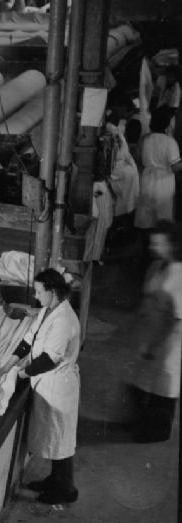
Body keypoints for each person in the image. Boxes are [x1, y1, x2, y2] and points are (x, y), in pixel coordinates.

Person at [0, 269, 81, 504]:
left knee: (60, 442)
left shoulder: (64, 320)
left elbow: (50, 358)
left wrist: (21, 374)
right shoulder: (48, 311)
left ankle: (65, 491)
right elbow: (28, 340)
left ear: (53, 292)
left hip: (58, 385)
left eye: (39, 292)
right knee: (55, 439)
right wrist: (5, 367)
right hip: (46, 382)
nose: (36, 297)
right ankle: (56, 481)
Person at [128, 222, 182, 442]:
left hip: (170, 337)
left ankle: (158, 432)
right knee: (141, 379)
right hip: (149, 330)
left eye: (158, 243)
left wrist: (155, 344)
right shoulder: (157, 265)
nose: (153, 246)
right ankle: (141, 421)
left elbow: (176, 318)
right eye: (153, 242)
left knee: (164, 384)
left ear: (172, 245)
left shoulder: (179, 274)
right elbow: (147, 297)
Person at [134, 106, 182, 235]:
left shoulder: (145, 139)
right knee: (162, 221)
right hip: (163, 183)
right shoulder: (170, 142)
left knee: (145, 219)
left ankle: (144, 250)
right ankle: (158, 249)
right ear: (168, 122)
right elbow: (175, 167)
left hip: (146, 180)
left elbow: (138, 160)